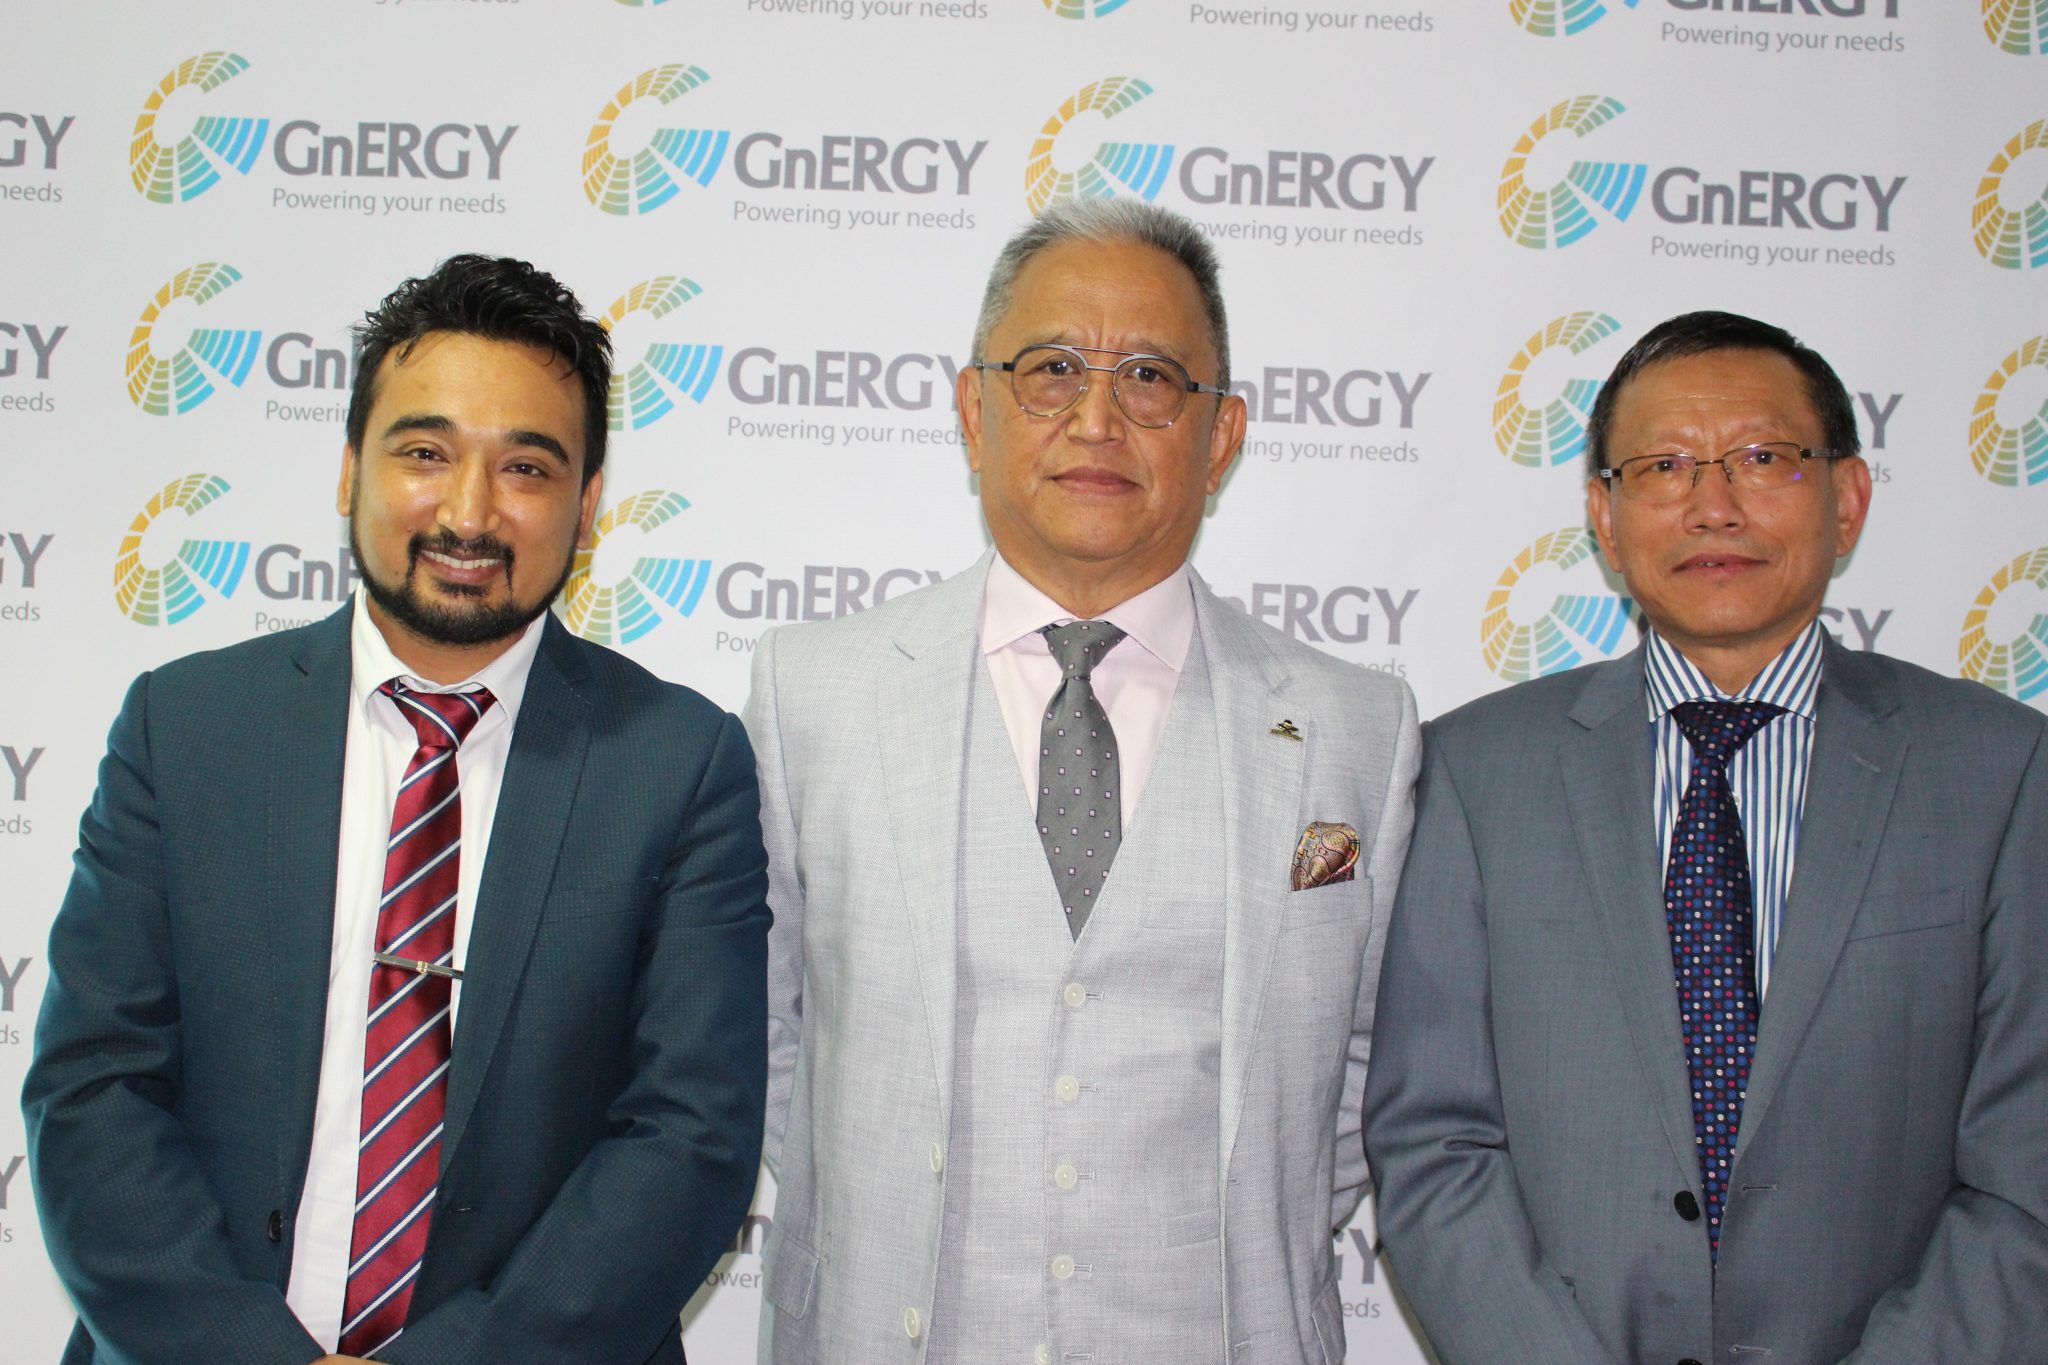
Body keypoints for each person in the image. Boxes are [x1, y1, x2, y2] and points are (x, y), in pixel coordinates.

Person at [22, 254, 770, 1364]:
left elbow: (689, 1137)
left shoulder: (678, 763)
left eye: (526, 467)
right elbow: (94, 1092)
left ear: (588, 506)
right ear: (348, 470)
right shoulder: (184, 731)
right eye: (425, 453)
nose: (469, 512)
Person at [744, 197, 1420, 1364]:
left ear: (1219, 436)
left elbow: (1369, 1070)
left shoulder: (1355, 727)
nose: (1096, 418)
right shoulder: (812, 692)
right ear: (974, 411)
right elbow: (764, 1038)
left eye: (1149, 378)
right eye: (1051, 370)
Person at [1363, 310, 2048, 1363]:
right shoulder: (1473, 771)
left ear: (1847, 498)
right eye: (1663, 467)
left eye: (1763, 458)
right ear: (1604, 516)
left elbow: (2026, 1164)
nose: (1712, 504)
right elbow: (1432, 1142)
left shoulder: (2001, 771)